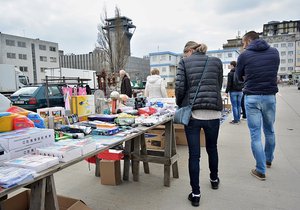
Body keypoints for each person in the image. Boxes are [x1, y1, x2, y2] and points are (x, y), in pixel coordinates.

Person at [175, 41, 223, 207]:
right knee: (212, 148)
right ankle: (214, 179)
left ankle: (196, 194)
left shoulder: (184, 63)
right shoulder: (216, 62)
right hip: (214, 113)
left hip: (194, 114)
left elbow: (180, 87)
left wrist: (180, 104)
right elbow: (218, 84)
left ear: (189, 50)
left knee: (194, 155)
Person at [235, 31, 280, 181]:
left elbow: (238, 76)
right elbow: (272, 72)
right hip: (269, 96)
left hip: (252, 96)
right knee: (269, 130)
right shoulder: (274, 53)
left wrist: (248, 78)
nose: (243, 45)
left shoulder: (244, 55)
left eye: (243, 42)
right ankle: (268, 160)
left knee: (255, 135)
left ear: (248, 40)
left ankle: (260, 170)